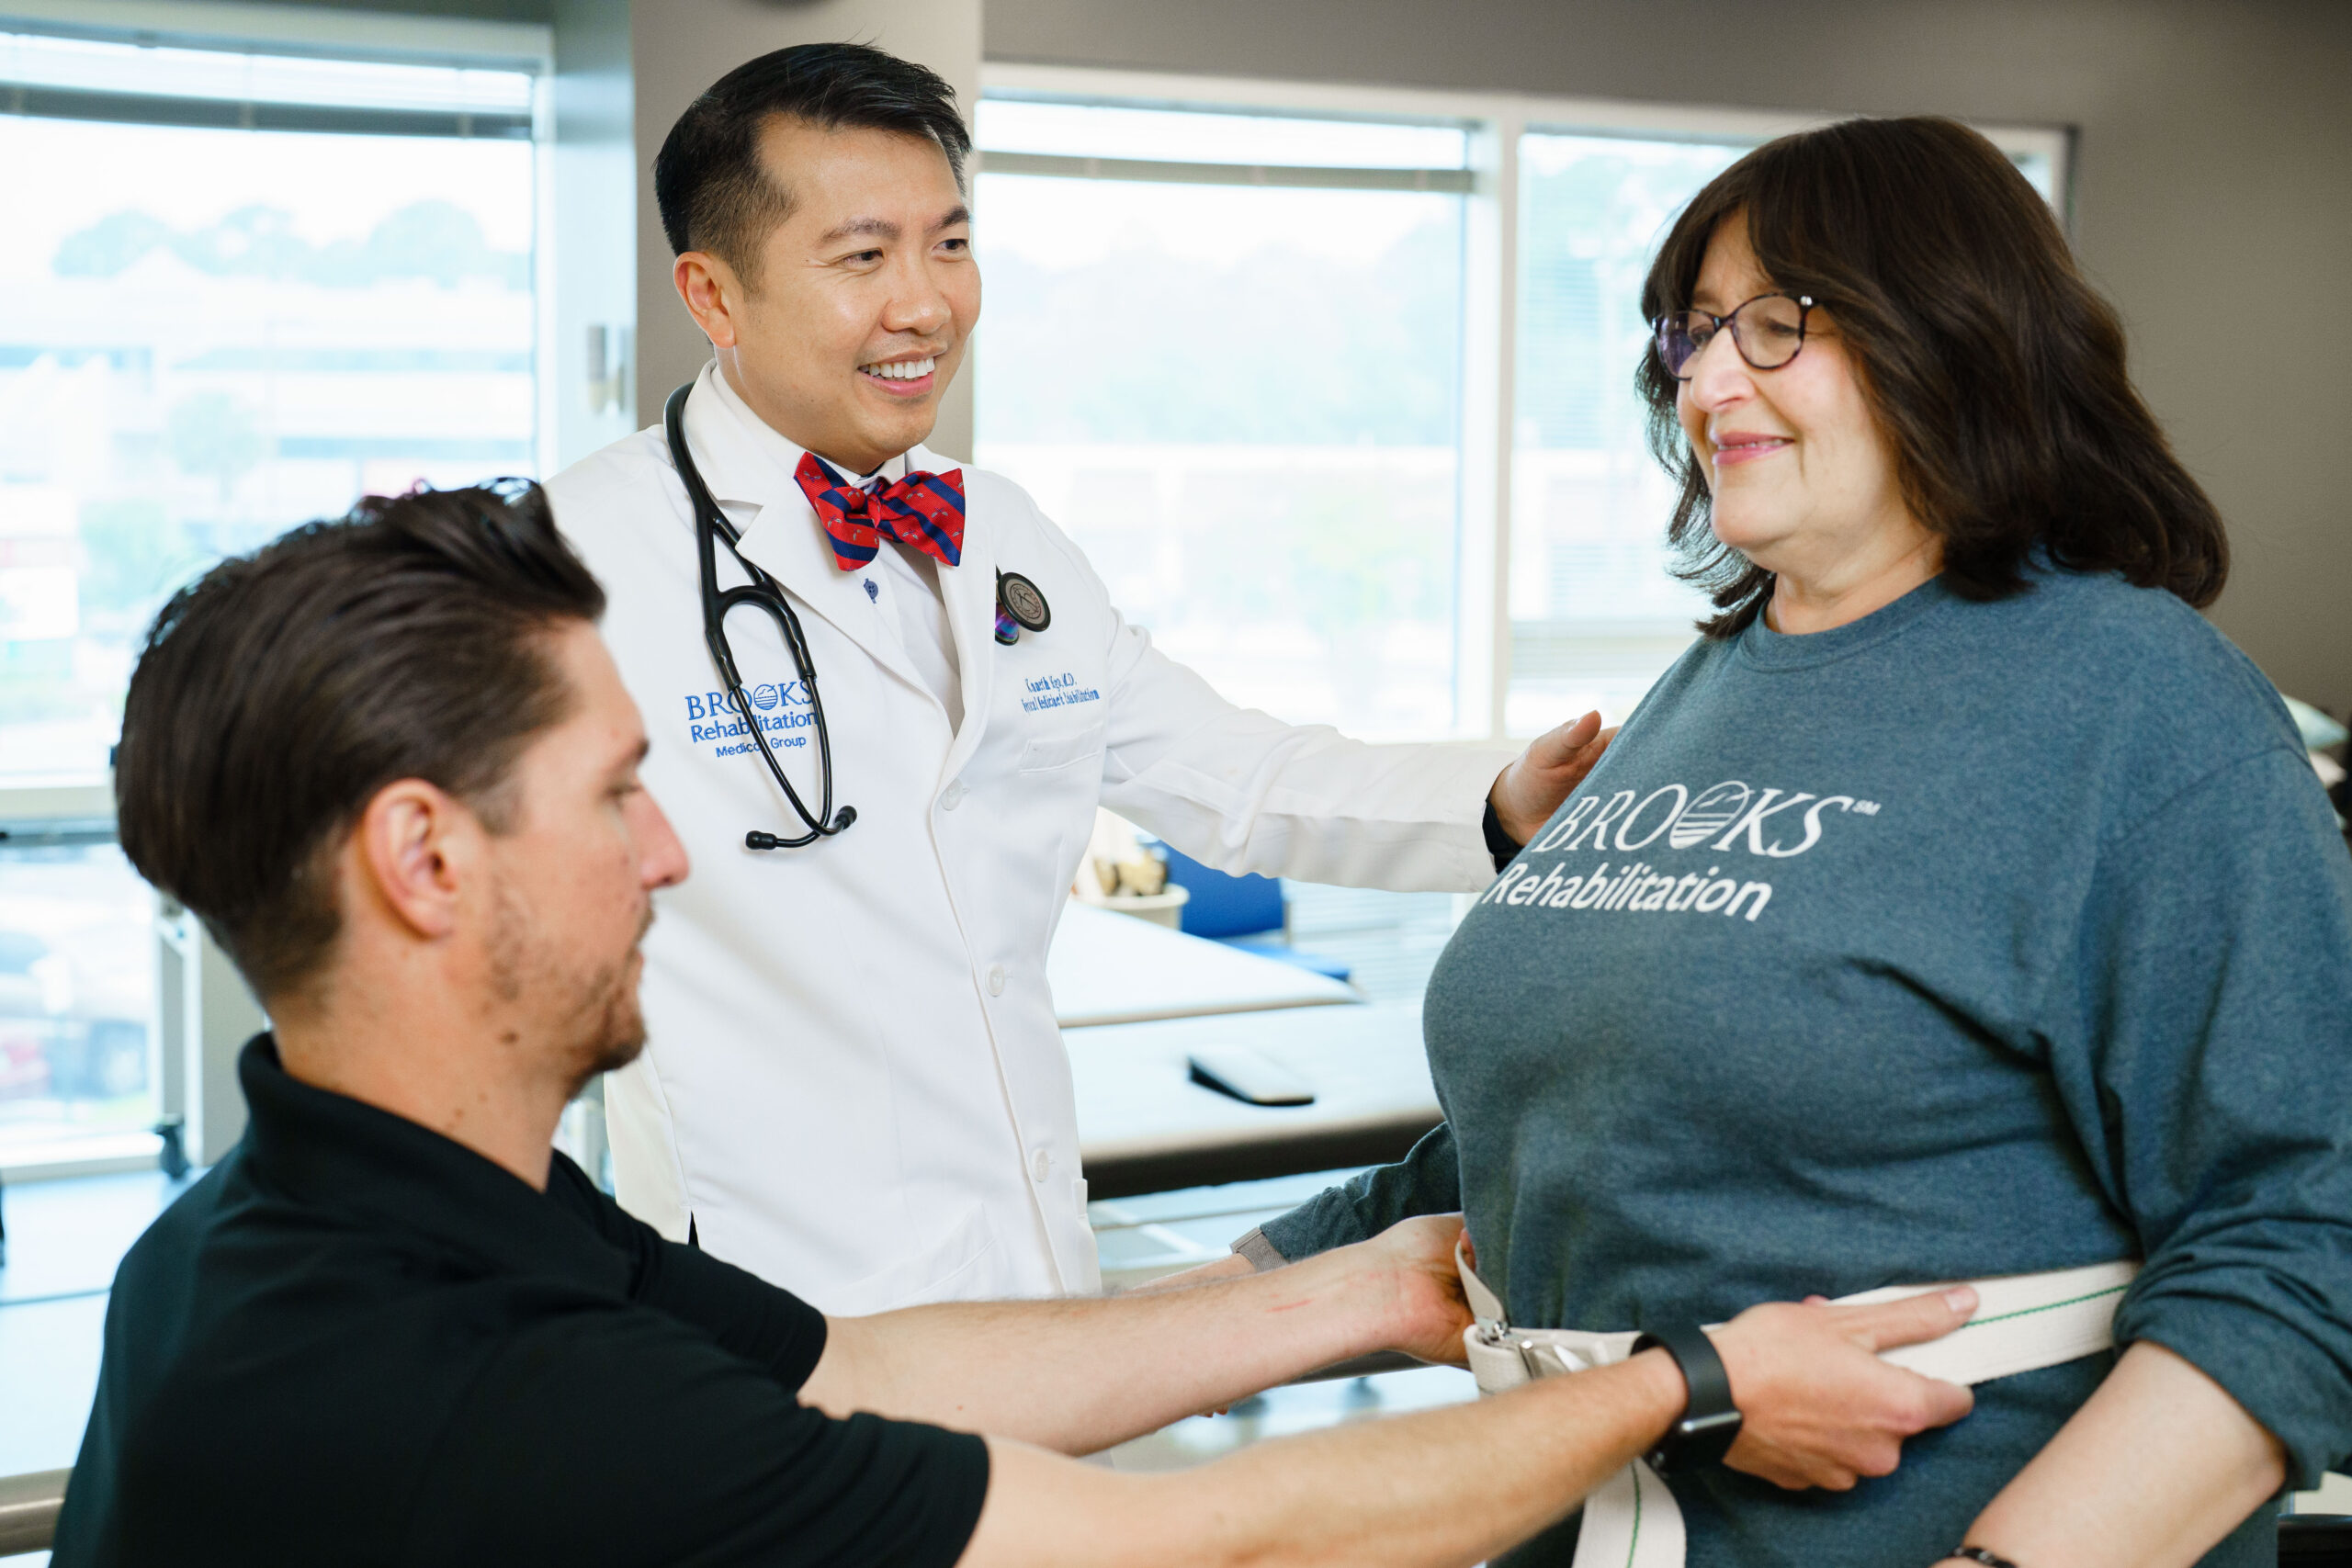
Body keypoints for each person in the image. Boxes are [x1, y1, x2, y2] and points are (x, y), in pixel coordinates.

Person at [52, 485, 1984, 1568]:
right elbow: (1227, 1543)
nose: (668, 856)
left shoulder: (294, 1228)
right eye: (616, 791)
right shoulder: (486, 1402)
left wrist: (1353, 1289)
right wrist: (1687, 1379)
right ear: (422, 855)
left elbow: (851, 1366)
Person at [1181, 118, 2352, 1567]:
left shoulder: (2138, 704)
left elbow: (2307, 1233)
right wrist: (1110, 1347)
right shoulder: (1707, 689)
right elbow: (1559, 1132)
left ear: (1956, 338)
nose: (1706, 378)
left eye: (1778, 325)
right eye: (1693, 332)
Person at [542, 42, 1613, 1311]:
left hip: (1040, 1286)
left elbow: (1238, 777)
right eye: (863, 256)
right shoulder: (571, 559)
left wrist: (1500, 801)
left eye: (949, 244)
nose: (927, 305)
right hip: (776, 1329)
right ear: (713, 297)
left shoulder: (1001, 535)